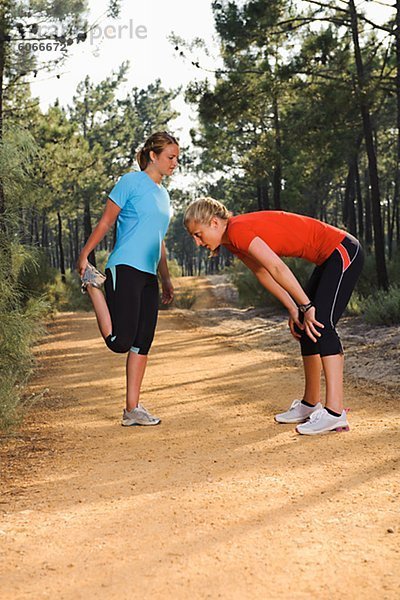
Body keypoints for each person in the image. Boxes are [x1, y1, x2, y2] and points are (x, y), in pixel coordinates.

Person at [184, 198, 364, 435]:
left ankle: (335, 413)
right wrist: (294, 308)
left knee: (321, 324)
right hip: (328, 257)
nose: (198, 243)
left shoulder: (238, 229)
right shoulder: (232, 241)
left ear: (215, 223)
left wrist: (306, 304)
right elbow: (263, 273)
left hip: (343, 250)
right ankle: (310, 404)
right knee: (304, 326)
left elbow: (277, 267)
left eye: (199, 234)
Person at [77, 132, 179, 426]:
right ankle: (95, 288)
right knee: (121, 341)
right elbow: (107, 221)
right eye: (170, 157)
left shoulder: (164, 195)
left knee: (143, 342)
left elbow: (159, 240)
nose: (175, 163)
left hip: (149, 274)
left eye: (176, 159)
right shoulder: (130, 182)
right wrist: (85, 255)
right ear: (153, 156)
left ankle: (132, 409)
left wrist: (166, 278)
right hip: (125, 266)